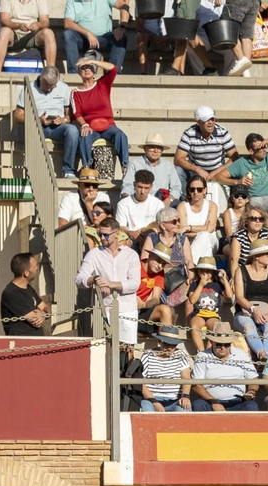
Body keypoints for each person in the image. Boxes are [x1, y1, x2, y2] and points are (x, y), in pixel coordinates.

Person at [77, 216, 141, 344]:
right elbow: (79, 279)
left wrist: (111, 284)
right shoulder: (94, 254)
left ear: (117, 234)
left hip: (128, 309)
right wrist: (95, 279)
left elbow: (134, 283)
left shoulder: (131, 254)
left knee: (128, 350)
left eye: (105, 235)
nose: (101, 238)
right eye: (100, 234)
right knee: (104, 349)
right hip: (104, 308)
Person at [70, 53, 128, 177]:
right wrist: (84, 124)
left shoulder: (102, 84)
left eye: (90, 67)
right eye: (83, 68)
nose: (87, 70)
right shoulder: (76, 92)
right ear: (79, 72)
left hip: (108, 124)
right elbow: (77, 113)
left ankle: (125, 167)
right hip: (90, 126)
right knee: (85, 136)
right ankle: (87, 167)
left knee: (120, 135)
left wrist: (94, 62)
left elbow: (113, 69)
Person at [15, 68, 78, 178]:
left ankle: (68, 170)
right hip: (37, 126)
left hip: (58, 127)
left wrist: (64, 120)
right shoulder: (28, 88)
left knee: (72, 131)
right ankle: (34, 171)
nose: (49, 89)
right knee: (31, 131)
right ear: (40, 79)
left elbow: (70, 115)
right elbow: (18, 116)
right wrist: (37, 119)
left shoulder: (63, 88)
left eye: (52, 86)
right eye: (47, 86)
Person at [233, 237, 268, 362]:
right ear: (256, 256)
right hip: (246, 310)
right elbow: (239, 297)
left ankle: (264, 357)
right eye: (267, 253)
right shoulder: (241, 271)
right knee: (248, 326)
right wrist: (254, 310)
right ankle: (262, 353)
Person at [175, 106, 238, 213]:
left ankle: (234, 206)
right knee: (178, 170)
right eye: (206, 120)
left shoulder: (222, 132)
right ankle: (185, 200)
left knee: (239, 169)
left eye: (212, 119)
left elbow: (235, 157)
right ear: (198, 122)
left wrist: (216, 172)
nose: (210, 123)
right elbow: (178, 159)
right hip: (195, 172)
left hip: (219, 171)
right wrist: (197, 169)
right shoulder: (189, 133)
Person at [192, 321, 260, 411]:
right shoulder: (202, 356)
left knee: (251, 406)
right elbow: (197, 385)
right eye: (219, 344)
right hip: (210, 401)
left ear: (231, 343)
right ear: (212, 342)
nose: (223, 347)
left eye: (227, 344)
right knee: (198, 405)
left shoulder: (240, 354)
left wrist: (251, 391)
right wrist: (214, 402)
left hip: (238, 401)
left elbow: (254, 379)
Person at [138, 324, 193, 411]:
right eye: (166, 344)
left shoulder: (181, 354)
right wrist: (155, 403)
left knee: (184, 411)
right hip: (151, 398)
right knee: (147, 413)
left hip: (175, 399)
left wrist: (185, 396)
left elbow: (186, 377)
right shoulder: (147, 355)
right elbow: (140, 382)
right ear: (159, 341)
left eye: (173, 345)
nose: (169, 348)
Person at [0, 0, 56, 73]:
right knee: (4, 32)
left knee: (49, 33)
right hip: (14, 32)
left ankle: (51, 72)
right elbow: (4, 20)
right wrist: (18, 25)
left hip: (33, 33)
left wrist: (38, 25)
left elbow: (45, 21)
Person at [63, 0, 126, 72]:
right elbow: (67, 23)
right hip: (84, 39)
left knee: (121, 36)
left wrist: (122, 26)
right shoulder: (72, 1)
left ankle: (114, 73)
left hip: (104, 38)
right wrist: (88, 33)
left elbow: (124, 6)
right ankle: (73, 72)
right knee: (68, 34)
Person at [123, 134, 184, 204]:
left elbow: (176, 188)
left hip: (163, 202)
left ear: (162, 151)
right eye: (152, 147)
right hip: (139, 201)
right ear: (145, 149)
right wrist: (128, 200)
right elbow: (127, 185)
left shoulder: (168, 166)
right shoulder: (134, 163)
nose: (155, 150)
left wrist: (168, 200)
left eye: (158, 148)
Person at [0, 253, 50, 336]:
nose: (37, 268)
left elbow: (45, 307)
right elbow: (35, 320)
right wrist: (42, 314)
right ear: (26, 273)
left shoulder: (28, 288)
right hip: (21, 344)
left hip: (38, 344)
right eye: (35, 267)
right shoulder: (11, 293)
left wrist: (44, 313)